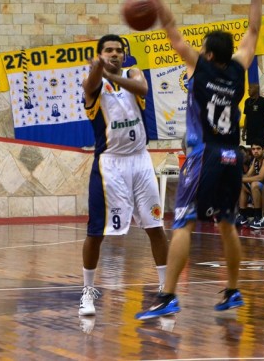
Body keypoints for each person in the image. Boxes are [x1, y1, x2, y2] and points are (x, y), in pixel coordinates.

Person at [135, 0, 264, 320]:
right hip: (232, 156)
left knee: (183, 222)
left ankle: (168, 296)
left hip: (204, 155)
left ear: (208, 54)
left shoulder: (200, 67)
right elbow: (254, 29)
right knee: (227, 224)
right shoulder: (240, 69)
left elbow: (170, 25)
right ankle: (232, 290)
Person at [79, 34, 169, 316]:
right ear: (99, 54)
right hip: (110, 165)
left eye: (119, 50)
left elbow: (141, 88)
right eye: (108, 50)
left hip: (140, 160)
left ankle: (166, 290)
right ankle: (87, 291)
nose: (115, 54)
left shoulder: (133, 74)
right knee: (96, 233)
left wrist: (108, 70)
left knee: (156, 226)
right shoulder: (93, 83)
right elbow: (91, 82)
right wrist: (100, 69)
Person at [239, 141, 264, 229]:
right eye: (253, 149)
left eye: (258, 149)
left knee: (254, 184)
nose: (255, 151)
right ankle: (243, 216)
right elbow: (248, 175)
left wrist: (242, 179)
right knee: (242, 184)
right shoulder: (255, 160)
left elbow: (260, 177)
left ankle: (258, 217)